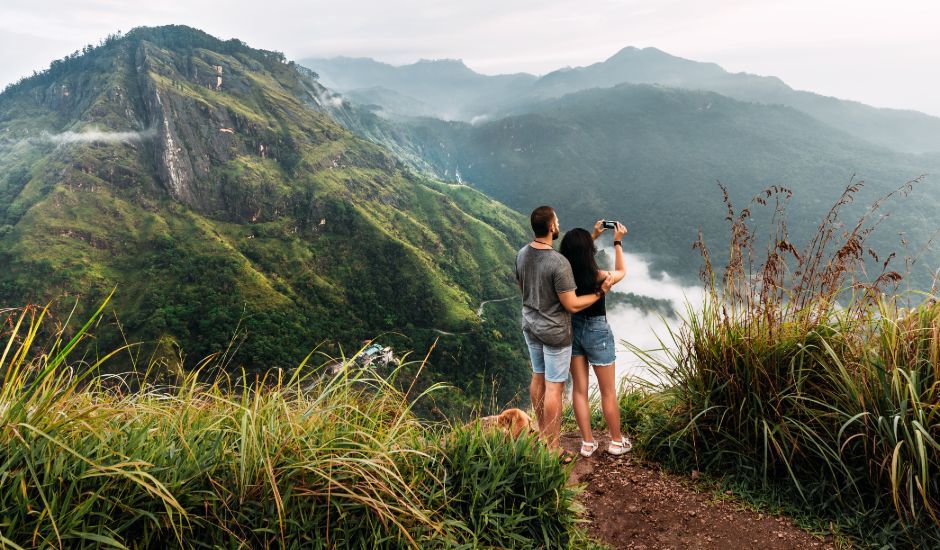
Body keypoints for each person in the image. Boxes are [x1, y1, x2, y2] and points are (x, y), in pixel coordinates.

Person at [515, 206, 612, 462]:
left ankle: (541, 432)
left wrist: (592, 236)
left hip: (530, 325)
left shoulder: (522, 254)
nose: (559, 224)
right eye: (556, 221)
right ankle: (552, 448)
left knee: (538, 378)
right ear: (551, 227)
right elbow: (572, 304)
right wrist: (600, 293)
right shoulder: (558, 263)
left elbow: (522, 285)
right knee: (554, 387)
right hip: (555, 332)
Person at [559, 220, 632, 457]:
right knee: (607, 391)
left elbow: (578, 252)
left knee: (579, 390)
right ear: (589, 252)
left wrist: (593, 234)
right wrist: (617, 241)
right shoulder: (599, 277)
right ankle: (616, 441)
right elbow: (621, 271)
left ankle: (588, 442)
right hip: (597, 332)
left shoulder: (563, 275)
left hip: (573, 331)